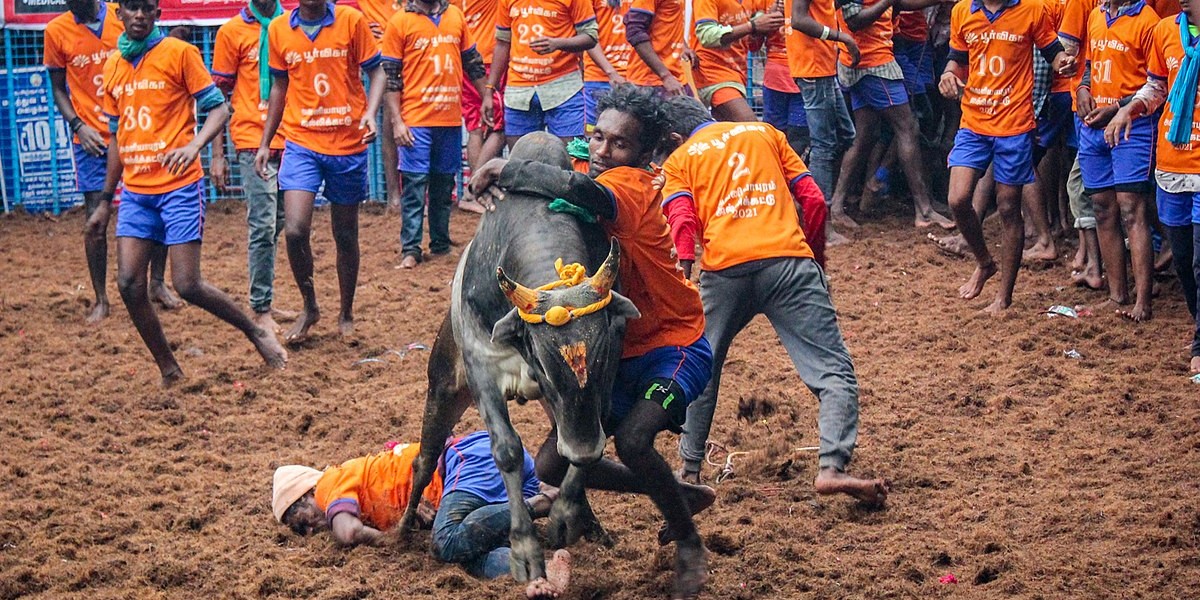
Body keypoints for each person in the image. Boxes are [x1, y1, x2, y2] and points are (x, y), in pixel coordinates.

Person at [469, 86, 718, 600]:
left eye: (619, 144)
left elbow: (583, 192)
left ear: (646, 153)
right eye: (597, 137)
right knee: (552, 464)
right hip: (623, 351)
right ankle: (673, 493)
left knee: (632, 441)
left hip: (676, 346)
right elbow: (573, 178)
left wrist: (504, 168)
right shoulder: (599, 172)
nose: (603, 151)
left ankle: (690, 543)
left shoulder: (632, 187)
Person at [655, 96, 889, 507]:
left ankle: (690, 469)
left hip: (724, 271)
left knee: (701, 366)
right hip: (788, 262)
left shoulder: (681, 159)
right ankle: (832, 468)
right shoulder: (766, 133)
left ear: (676, 136)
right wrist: (815, 260)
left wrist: (686, 275)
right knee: (834, 373)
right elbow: (814, 200)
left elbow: (682, 221)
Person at [98, 0, 287, 386]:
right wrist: (105, 199)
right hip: (136, 190)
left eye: (146, 9)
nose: (138, 15)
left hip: (178, 187)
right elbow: (117, 137)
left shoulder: (180, 53)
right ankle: (169, 369)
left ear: (157, 15)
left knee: (187, 284)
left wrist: (194, 146)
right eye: (131, 8)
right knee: (129, 284)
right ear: (119, 14)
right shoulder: (113, 65)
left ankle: (255, 332)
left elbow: (218, 109)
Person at [272, 433, 570, 599]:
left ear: (307, 494)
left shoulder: (329, 484)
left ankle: (538, 505)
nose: (310, 531)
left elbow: (348, 531)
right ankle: (540, 571)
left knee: (444, 543)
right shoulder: (370, 487)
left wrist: (394, 541)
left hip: (470, 462)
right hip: (488, 475)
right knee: (464, 553)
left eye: (299, 521)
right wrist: (411, 524)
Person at [44, 0, 180, 324]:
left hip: (138, 130)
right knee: (96, 217)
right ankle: (101, 299)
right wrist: (78, 125)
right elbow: (58, 88)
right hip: (90, 138)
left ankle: (157, 283)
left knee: (157, 204)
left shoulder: (124, 15)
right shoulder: (56, 31)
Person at [258, 0, 387, 342]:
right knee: (295, 230)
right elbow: (279, 88)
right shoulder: (278, 29)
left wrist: (371, 113)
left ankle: (346, 311)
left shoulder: (351, 21)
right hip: (301, 143)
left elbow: (377, 71)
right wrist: (265, 142)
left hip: (348, 143)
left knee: (345, 234)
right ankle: (310, 305)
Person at [938, 0, 1073, 312]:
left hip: (1014, 124)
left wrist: (1063, 63)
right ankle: (985, 263)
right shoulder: (963, 12)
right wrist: (948, 74)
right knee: (958, 199)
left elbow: (1053, 53)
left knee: (1009, 206)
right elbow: (956, 57)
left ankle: (1004, 298)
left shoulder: (1032, 11)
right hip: (973, 121)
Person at [1107, 0, 1199, 363]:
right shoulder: (1166, 32)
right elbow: (1157, 86)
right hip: (1173, 160)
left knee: (1199, 260)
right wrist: (1129, 107)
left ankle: (1198, 342)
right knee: (1182, 256)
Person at [381, 0, 490, 269]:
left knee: (444, 184)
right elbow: (391, 77)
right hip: (416, 117)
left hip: (449, 117)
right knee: (415, 185)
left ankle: (440, 243)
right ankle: (411, 249)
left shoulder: (455, 16)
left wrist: (487, 94)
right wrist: (397, 121)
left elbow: (472, 62)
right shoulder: (399, 22)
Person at [210, 0, 297, 334]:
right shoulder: (231, 32)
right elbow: (217, 96)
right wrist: (217, 154)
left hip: (290, 138)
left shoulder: (291, 25)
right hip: (250, 138)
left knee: (279, 224)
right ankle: (260, 308)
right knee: (262, 224)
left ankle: (266, 300)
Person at [829, 0, 955, 230]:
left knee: (864, 134)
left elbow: (900, 3)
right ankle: (924, 211)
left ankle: (836, 206)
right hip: (873, 63)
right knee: (908, 127)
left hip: (862, 61)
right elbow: (854, 20)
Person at [1073, 0, 1160, 322]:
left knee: (1131, 208)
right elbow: (1090, 63)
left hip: (1133, 126)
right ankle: (1117, 293)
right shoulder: (1097, 14)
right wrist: (1083, 87)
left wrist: (1118, 107)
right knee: (1102, 206)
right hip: (1094, 125)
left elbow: (1157, 81)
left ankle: (1142, 300)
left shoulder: (1148, 20)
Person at [791, 0, 859, 245]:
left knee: (844, 136)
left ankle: (801, 192)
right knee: (824, 146)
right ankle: (821, 224)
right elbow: (798, 19)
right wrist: (843, 37)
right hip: (813, 68)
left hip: (822, 66)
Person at [488, 0, 598, 146]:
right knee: (520, 162)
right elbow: (502, 43)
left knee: (572, 157)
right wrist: (489, 90)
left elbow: (590, 37)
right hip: (518, 92)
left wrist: (557, 44)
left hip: (564, 90)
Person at [691, 0, 785, 121]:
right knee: (751, 127)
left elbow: (753, 45)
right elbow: (707, 36)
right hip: (711, 73)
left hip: (737, 74)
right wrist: (752, 26)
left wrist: (768, 21)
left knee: (730, 131)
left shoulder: (750, 2)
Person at [356, 0, 405, 212]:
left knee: (422, 122)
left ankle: (420, 196)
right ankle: (394, 196)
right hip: (386, 57)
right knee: (390, 122)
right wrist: (363, 30)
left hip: (417, 51)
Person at [460, 0, 508, 210]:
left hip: (466, 59)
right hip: (488, 61)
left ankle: (475, 192)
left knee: (476, 127)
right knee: (502, 126)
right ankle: (473, 191)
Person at [583, 0, 633, 128]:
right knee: (595, 130)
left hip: (637, 77)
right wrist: (611, 72)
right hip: (599, 77)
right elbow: (587, 34)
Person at [624, 0, 689, 95]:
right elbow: (634, 30)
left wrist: (684, 46)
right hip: (652, 82)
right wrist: (665, 76)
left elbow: (666, 21)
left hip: (675, 78)